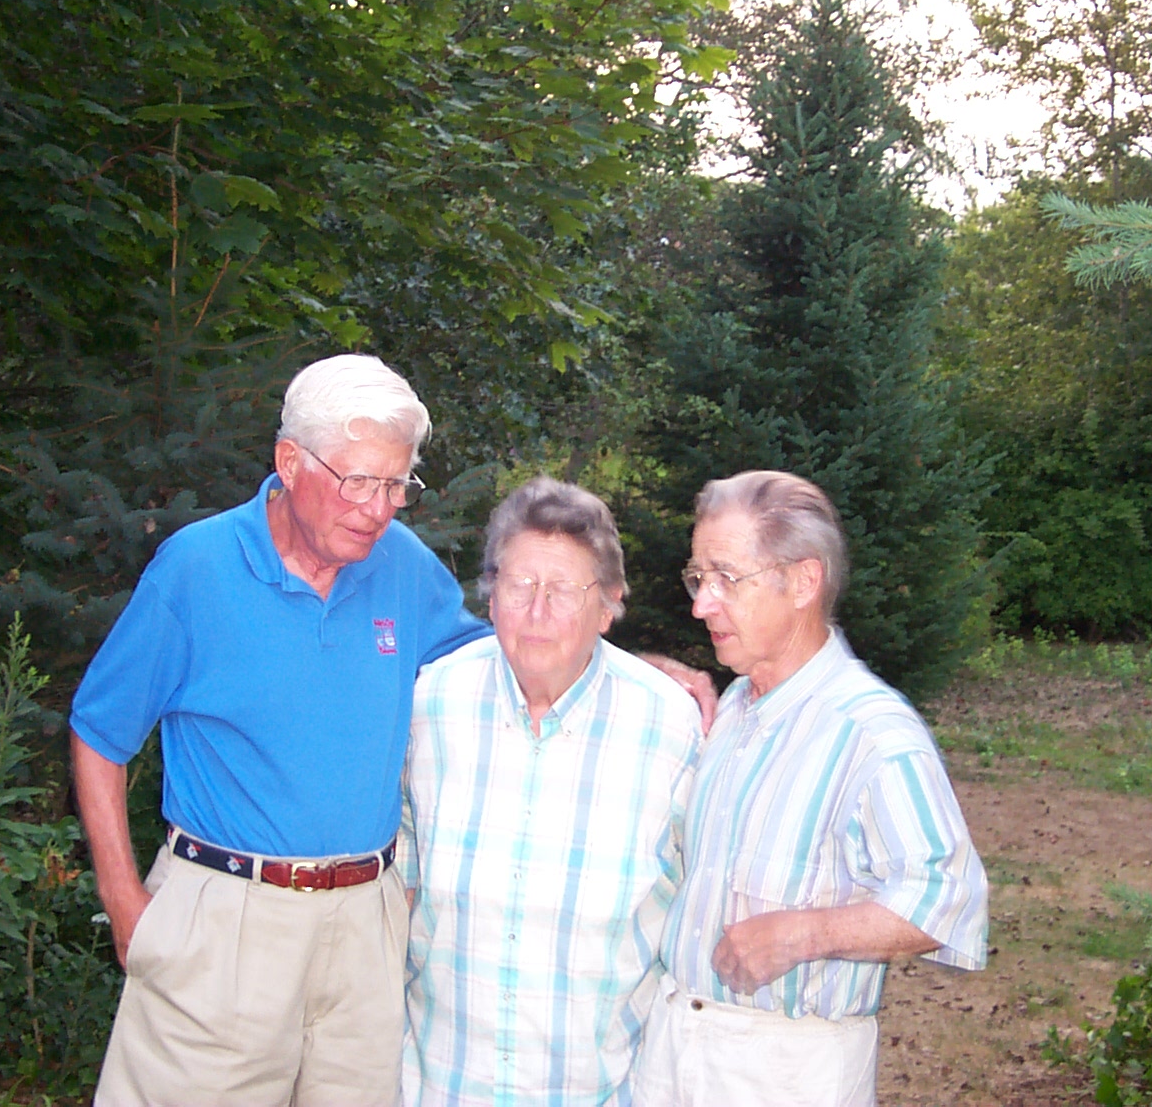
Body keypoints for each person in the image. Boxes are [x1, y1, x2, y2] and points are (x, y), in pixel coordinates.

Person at [69, 354, 491, 1107]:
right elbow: (101, 732)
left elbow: (493, 669)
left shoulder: (403, 566)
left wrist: (637, 668)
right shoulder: (196, 569)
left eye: (397, 485)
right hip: (224, 919)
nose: (378, 509)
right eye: (358, 481)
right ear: (290, 463)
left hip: (365, 925)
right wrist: (123, 897)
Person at [630, 471, 988, 1107]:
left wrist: (803, 936)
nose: (701, 604)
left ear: (802, 582)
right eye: (698, 577)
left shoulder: (872, 734)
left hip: (787, 1070)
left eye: (726, 578)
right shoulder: (736, 706)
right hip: (674, 1047)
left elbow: (945, 898)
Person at [401, 477, 703, 1107]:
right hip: (441, 1085)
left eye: (564, 590)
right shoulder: (430, 704)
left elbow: (695, 911)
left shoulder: (670, 728)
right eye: (519, 584)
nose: (537, 611)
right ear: (491, 596)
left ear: (609, 605)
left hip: (598, 1090)